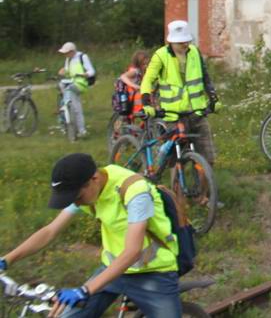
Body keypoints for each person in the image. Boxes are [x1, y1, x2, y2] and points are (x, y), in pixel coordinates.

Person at [0, 153, 182, 317]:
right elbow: (50, 231)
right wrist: (6, 260)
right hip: (112, 269)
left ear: (94, 179)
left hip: (153, 273)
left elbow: (133, 251)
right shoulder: (85, 191)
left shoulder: (134, 191)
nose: (76, 203)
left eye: (77, 197)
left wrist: (85, 290)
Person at [140, 21, 218, 166]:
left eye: (186, 40)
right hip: (173, 115)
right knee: (176, 160)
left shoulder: (195, 52)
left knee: (208, 160)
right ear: (171, 42)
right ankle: (177, 186)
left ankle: (206, 188)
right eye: (180, 42)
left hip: (197, 112)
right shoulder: (161, 56)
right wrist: (146, 103)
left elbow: (205, 76)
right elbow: (147, 80)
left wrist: (214, 98)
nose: (184, 44)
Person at [56, 42, 95, 138]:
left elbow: (91, 71)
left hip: (80, 84)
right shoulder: (68, 59)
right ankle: (65, 116)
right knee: (62, 89)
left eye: (67, 52)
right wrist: (63, 72)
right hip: (70, 83)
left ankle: (81, 130)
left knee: (76, 108)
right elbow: (67, 71)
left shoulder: (82, 57)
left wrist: (85, 74)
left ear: (72, 51)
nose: (65, 55)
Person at [120, 51, 151, 116]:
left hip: (136, 93)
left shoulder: (143, 70)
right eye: (143, 64)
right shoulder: (135, 71)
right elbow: (123, 77)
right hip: (131, 94)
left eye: (147, 64)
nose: (146, 66)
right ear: (138, 64)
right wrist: (135, 86)